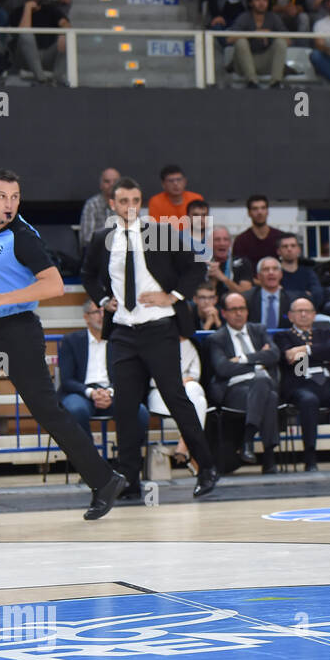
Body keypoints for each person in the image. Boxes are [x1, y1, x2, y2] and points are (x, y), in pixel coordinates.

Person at [0, 169, 125, 517]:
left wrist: (0, 298)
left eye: (15, 197)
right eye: (3, 196)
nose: (9, 204)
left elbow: (54, 286)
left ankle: (104, 479)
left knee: (49, 413)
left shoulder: (22, 235)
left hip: (19, 334)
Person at [83, 176, 218, 500]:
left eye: (135, 200)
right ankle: (129, 480)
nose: (130, 207)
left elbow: (196, 268)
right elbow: (87, 274)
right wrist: (103, 300)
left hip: (159, 328)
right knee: (127, 408)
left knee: (176, 398)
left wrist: (171, 296)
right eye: (124, 201)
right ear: (112, 204)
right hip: (123, 333)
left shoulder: (160, 232)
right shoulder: (102, 237)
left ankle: (208, 467)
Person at [272, 297, 330, 471]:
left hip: (326, 383)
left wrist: (304, 349)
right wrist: (317, 354)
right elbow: (292, 361)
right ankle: (310, 459)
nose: (303, 315)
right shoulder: (282, 336)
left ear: (314, 315)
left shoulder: (323, 333)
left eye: (307, 311)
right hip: (299, 384)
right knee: (309, 401)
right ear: (290, 316)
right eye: (298, 311)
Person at [208, 292, 280, 470]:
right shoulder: (217, 338)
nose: (238, 313)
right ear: (223, 313)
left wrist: (241, 359)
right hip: (235, 389)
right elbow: (223, 368)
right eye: (233, 309)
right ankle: (268, 458)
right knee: (268, 395)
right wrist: (258, 362)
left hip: (259, 385)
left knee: (262, 383)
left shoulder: (259, 330)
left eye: (242, 309)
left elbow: (274, 355)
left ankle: (248, 441)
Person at [58, 299, 149, 434]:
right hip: (81, 393)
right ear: (86, 317)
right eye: (96, 312)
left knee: (139, 411)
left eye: (104, 312)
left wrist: (109, 392)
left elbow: (127, 375)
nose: (102, 316)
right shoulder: (71, 341)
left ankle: (128, 454)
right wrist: (92, 393)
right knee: (75, 410)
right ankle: (86, 455)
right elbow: (67, 380)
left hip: (112, 393)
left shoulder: (119, 340)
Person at [148, 334, 208, 472]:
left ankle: (184, 444)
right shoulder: (154, 342)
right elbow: (151, 379)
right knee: (199, 401)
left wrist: (184, 382)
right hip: (159, 392)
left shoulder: (191, 345)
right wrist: (175, 384)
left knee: (195, 390)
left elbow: (195, 374)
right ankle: (193, 453)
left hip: (187, 390)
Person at [9, 0, 68, 85]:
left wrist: (63, 34)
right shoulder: (17, 12)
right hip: (24, 58)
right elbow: (23, 33)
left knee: (68, 37)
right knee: (26, 36)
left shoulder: (51, 10)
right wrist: (28, 8)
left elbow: (65, 24)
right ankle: (41, 79)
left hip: (47, 55)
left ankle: (57, 79)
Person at [227, 0, 287, 87]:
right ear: (250, 3)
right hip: (243, 64)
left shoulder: (273, 17)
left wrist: (270, 34)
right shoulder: (244, 17)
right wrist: (254, 33)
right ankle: (252, 82)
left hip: (266, 63)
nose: (261, 3)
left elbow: (289, 40)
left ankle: (276, 83)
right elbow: (229, 39)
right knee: (241, 42)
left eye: (264, 0)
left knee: (280, 42)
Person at [232, 194, 282, 267]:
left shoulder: (280, 238)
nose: (259, 212)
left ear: (267, 211)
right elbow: (238, 268)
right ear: (249, 213)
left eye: (263, 208)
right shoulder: (241, 241)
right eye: (255, 209)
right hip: (249, 278)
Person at [245, 256, 294, 329]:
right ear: (258, 276)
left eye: (275, 269)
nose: (271, 273)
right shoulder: (247, 298)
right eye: (266, 269)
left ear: (281, 274)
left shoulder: (292, 299)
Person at [78, 167, 120, 247]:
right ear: (101, 185)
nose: (112, 184)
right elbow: (87, 239)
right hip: (99, 252)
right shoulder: (92, 205)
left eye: (115, 181)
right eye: (107, 181)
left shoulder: (128, 205)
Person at [276, 233, 323, 305]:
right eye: (285, 246)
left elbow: (318, 297)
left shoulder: (308, 273)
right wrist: (305, 294)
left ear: (299, 249)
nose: (289, 249)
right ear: (278, 251)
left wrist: (286, 294)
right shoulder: (274, 274)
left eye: (293, 246)